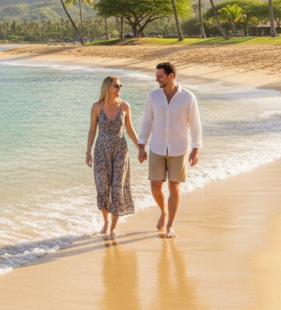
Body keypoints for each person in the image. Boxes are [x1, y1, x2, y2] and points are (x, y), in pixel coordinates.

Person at [136, 62, 202, 239]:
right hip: (157, 147)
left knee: (174, 186)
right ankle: (163, 211)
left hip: (179, 148)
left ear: (171, 76)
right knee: (155, 185)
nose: (156, 79)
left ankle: (170, 226)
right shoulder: (153, 96)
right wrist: (141, 147)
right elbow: (147, 122)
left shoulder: (188, 97)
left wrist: (196, 150)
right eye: (156, 76)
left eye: (160, 76)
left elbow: (195, 125)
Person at [86, 75, 139, 239]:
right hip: (101, 151)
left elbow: (129, 130)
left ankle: (113, 228)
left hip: (120, 152)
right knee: (102, 188)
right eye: (116, 86)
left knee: (117, 188)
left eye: (120, 85)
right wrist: (88, 152)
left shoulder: (125, 106)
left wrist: (141, 148)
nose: (120, 88)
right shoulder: (96, 107)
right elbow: (92, 130)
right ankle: (106, 221)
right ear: (108, 87)